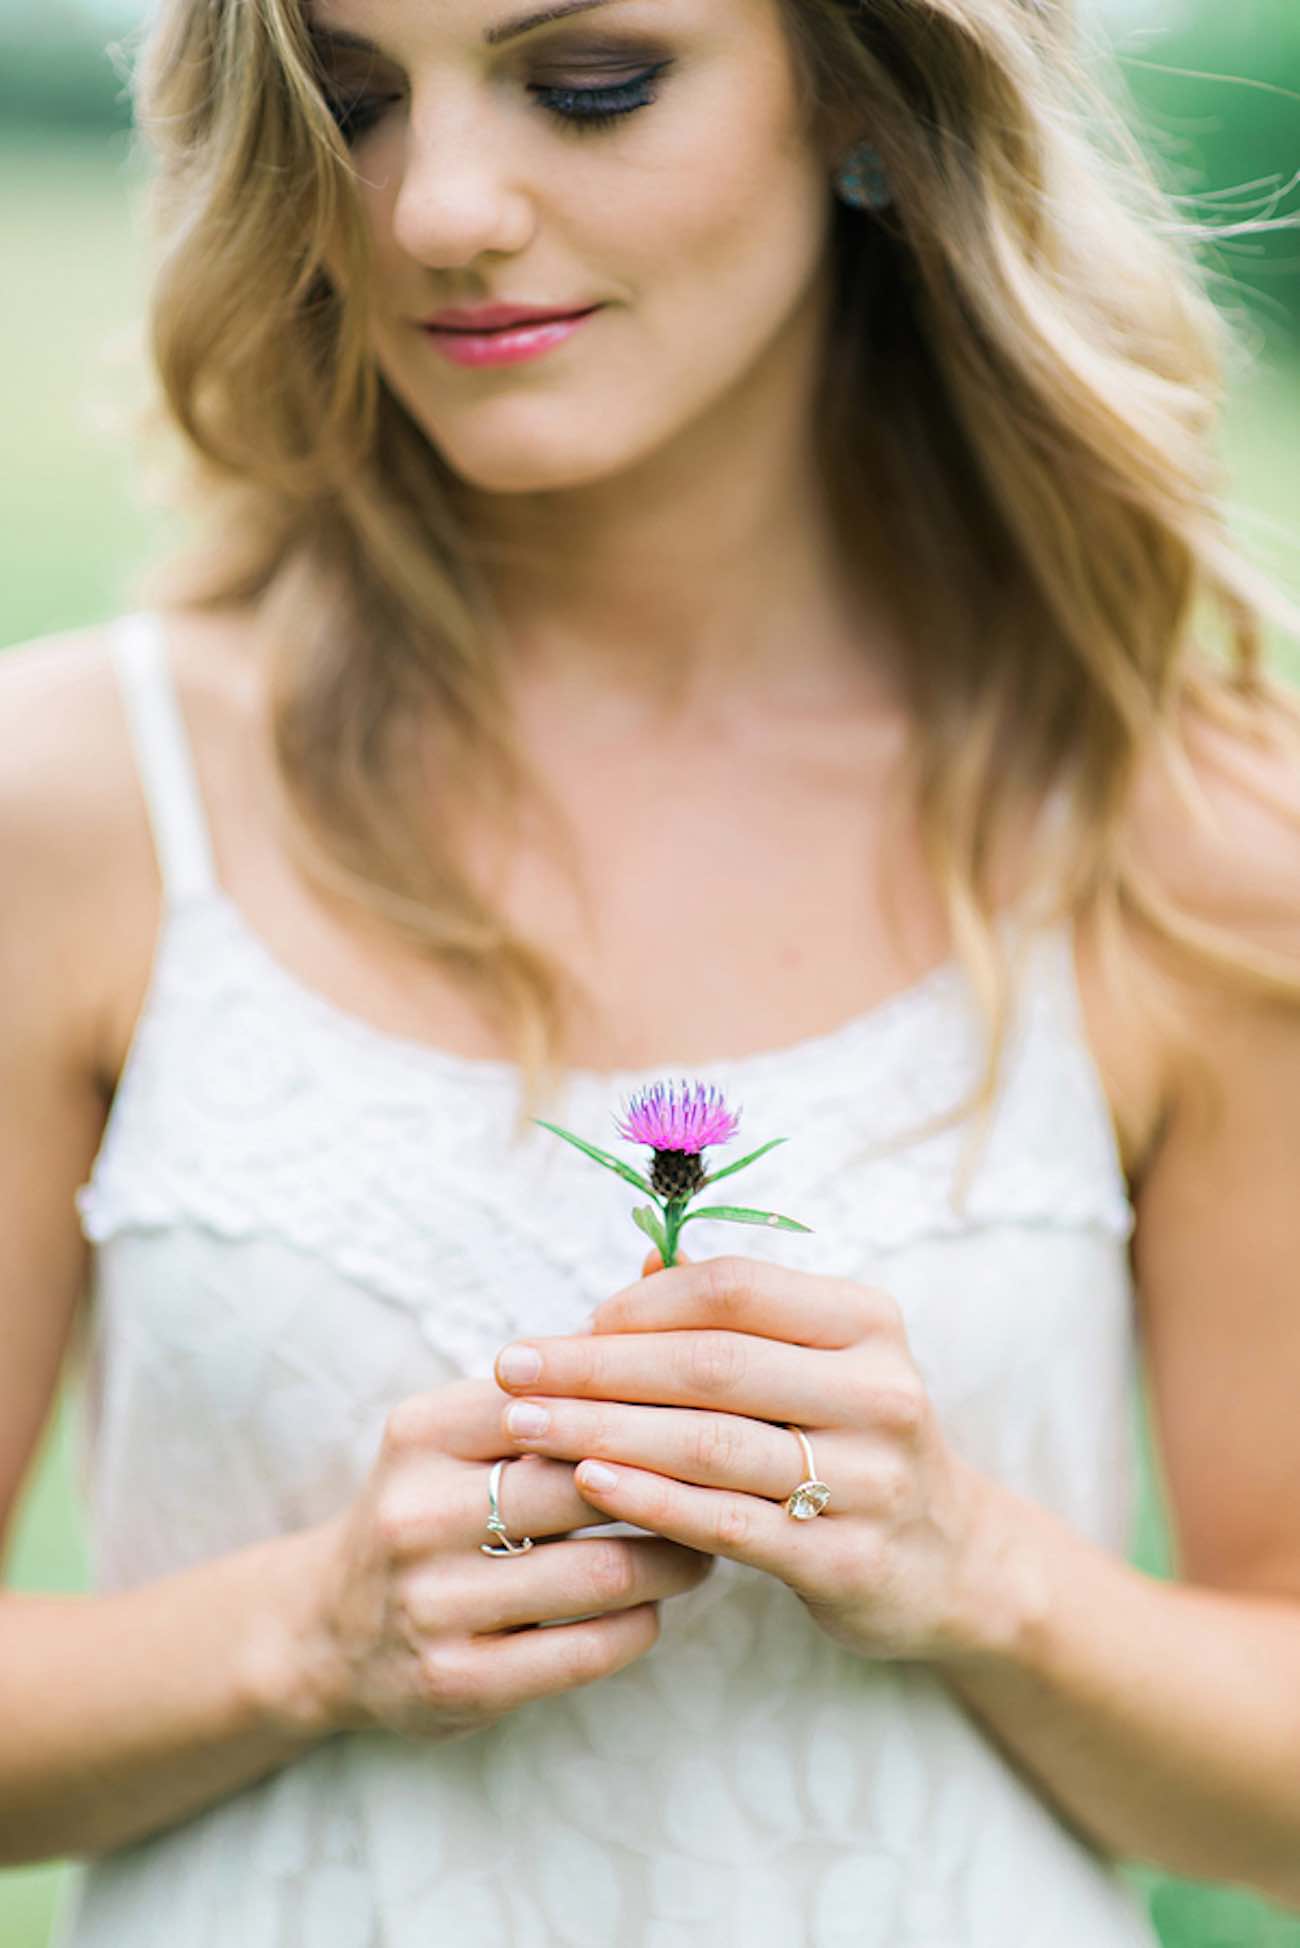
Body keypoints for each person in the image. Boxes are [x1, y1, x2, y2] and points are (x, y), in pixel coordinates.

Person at [3, 0, 1300, 1940]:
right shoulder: (85, 800)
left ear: (860, 92)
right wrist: (303, 1627)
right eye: (347, 103)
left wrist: (977, 1571)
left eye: (587, 85)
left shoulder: (1176, 836)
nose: (437, 206)